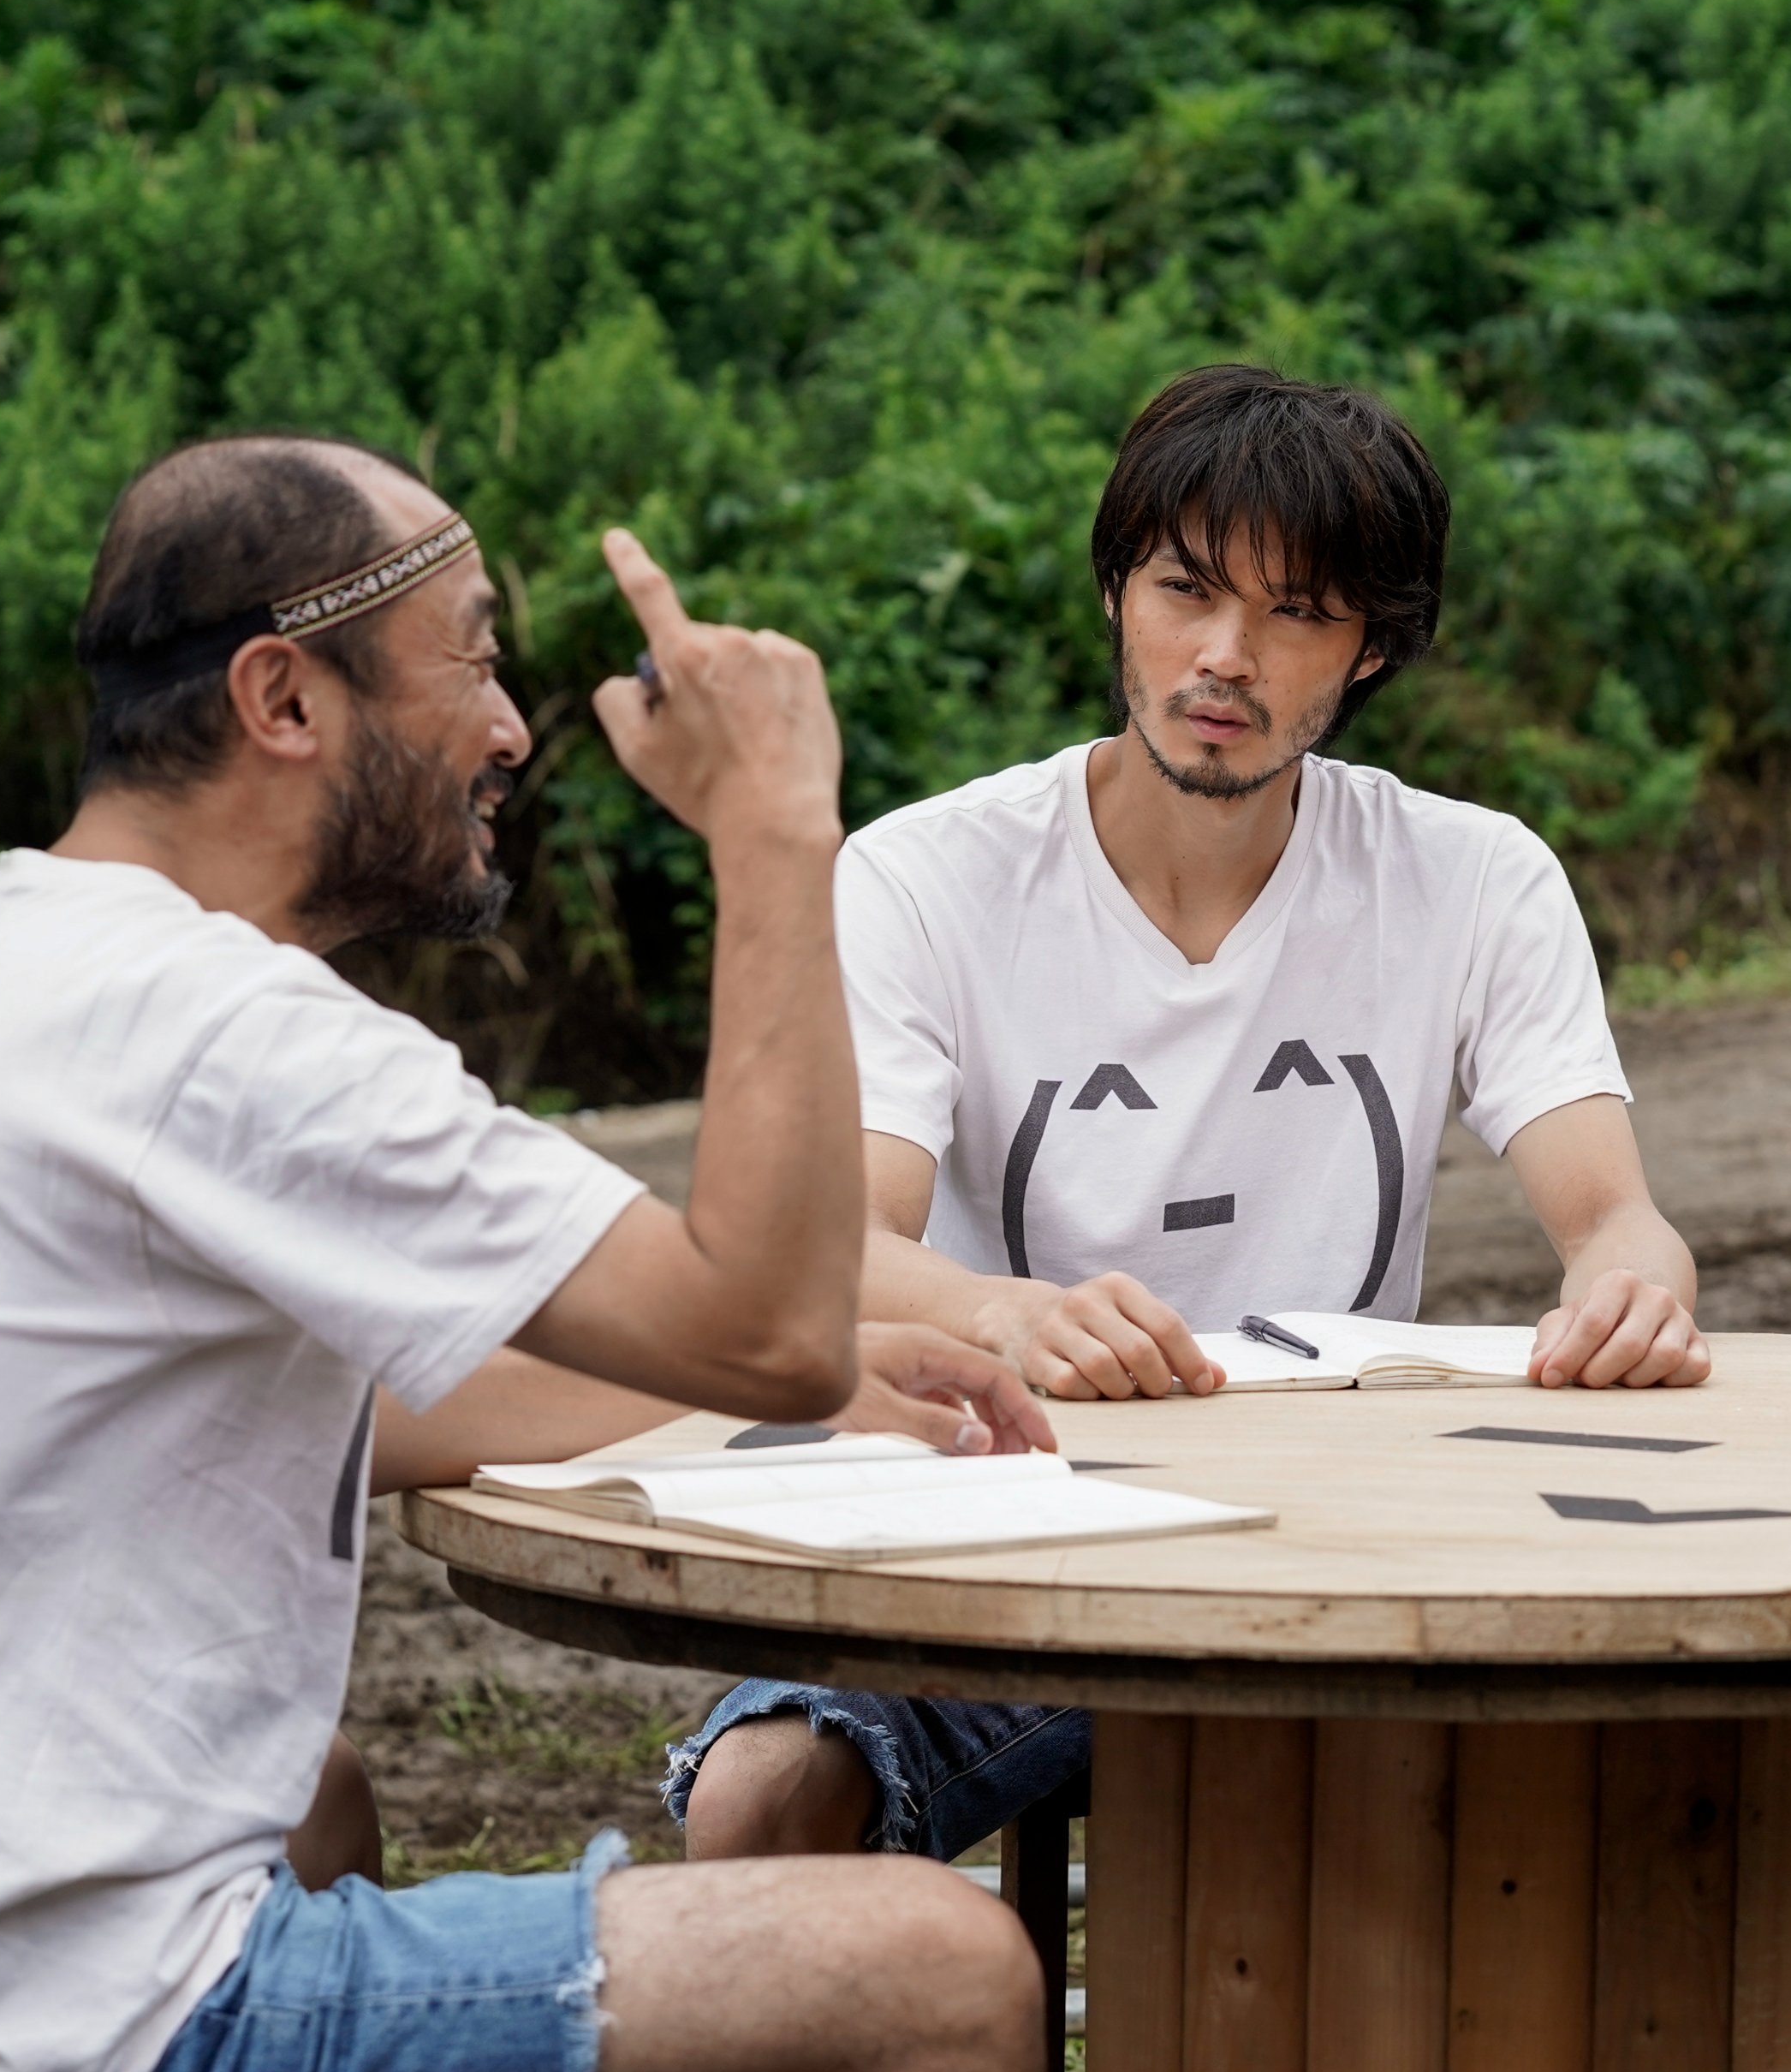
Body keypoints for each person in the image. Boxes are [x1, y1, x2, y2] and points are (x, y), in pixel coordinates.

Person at [0, 435, 1065, 2072]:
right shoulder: (218, 1029)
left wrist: (813, 1378)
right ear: (284, 695)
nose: (513, 730)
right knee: (942, 1977)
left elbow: (394, 1405)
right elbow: (767, 1320)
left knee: (310, 1798)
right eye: (473, 656)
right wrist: (777, 831)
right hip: (74, 2071)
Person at [670, 364, 1709, 1879]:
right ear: (1116, 593)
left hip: (1360, 1551)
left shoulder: (1475, 877)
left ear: (1370, 650)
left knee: (1655, 1760)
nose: (1225, 657)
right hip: (1015, 1534)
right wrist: (1007, 1313)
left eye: (1298, 613)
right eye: (1186, 590)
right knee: (760, 1795)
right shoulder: (923, 878)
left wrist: (1633, 1293)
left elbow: (1614, 1218)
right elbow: (835, 1248)